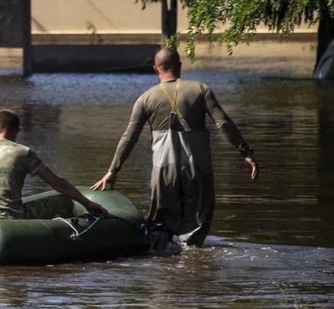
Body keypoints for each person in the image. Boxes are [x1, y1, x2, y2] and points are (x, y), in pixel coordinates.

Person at [91, 47, 259, 249]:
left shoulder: (146, 98)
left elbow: (129, 137)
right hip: (197, 168)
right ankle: (192, 263)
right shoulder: (200, 89)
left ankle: (165, 268)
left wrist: (112, 171)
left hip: (163, 170)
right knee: (196, 225)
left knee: (160, 228)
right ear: (180, 66)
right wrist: (245, 152)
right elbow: (222, 123)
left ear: (155, 69)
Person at [0, 109, 108, 219]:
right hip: (10, 216)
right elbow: (58, 183)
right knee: (64, 201)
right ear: (17, 131)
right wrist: (87, 203)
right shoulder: (22, 152)